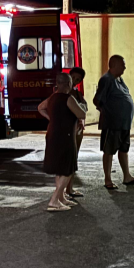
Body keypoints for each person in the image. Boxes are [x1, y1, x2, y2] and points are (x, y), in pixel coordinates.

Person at [38, 73, 87, 212]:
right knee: (68, 167)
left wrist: (51, 118)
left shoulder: (52, 97)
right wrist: (81, 105)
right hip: (65, 135)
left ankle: (61, 197)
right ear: (68, 84)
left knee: (59, 168)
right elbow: (81, 114)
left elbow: (40, 107)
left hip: (53, 134)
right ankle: (54, 199)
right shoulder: (68, 98)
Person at [93, 54, 134, 190]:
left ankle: (127, 176)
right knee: (109, 150)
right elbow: (97, 100)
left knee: (124, 149)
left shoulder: (119, 79)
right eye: (122, 65)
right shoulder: (106, 80)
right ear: (114, 65)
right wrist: (108, 112)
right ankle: (107, 179)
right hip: (112, 123)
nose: (125, 67)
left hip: (124, 123)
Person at [63, 66, 87, 199]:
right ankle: (64, 190)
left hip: (77, 129)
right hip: (68, 129)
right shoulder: (63, 92)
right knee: (68, 160)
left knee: (73, 158)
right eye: (74, 78)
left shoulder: (77, 92)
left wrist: (82, 121)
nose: (76, 81)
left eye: (78, 79)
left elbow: (84, 108)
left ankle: (69, 188)